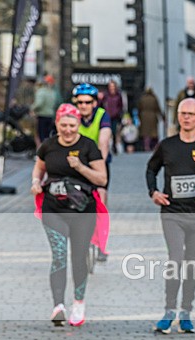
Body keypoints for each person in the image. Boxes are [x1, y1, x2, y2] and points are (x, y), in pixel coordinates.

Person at [145, 98, 195, 334]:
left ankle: (186, 312)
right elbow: (151, 168)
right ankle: (169, 310)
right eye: (182, 113)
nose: (186, 117)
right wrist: (154, 192)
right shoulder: (167, 145)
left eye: (191, 114)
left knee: (191, 263)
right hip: (171, 212)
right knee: (175, 259)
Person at [31, 104, 107, 327]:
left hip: (83, 211)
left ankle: (78, 302)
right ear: (56, 123)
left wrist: (81, 167)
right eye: (63, 125)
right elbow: (39, 168)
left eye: (72, 125)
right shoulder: (48, 146)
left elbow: (102, 179)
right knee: (59, 254)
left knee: (78, 256)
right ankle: (58, 306)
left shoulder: (88, 146)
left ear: (78, 125)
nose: (68, 130)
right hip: (53, 208)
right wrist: (36, 182)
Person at [73, 83, 112, 261]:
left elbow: (104, 141)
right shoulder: (72, 117)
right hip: (76, 164)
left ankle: (101, 244)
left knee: (101, 200)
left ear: (95, 103)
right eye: (80, 102)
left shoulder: (103, 116)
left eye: (88, 102)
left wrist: (99, 167)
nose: (83, 106)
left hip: (98, 164)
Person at [31, 74, 58, 145]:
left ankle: (42, 152)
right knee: (48, 135)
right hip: (50, 116)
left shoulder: (41, 92)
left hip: (41, 116)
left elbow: (38, 104)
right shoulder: (53, 93)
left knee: (41, 136)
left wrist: (32, 108)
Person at [100, 80, 125, 155]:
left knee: (114, 132)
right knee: (106, 132)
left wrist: (119, 113)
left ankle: (114, 146)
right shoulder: (106, 95)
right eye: (110, 86)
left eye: (113, 86)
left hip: (115, 116)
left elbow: (121, 106)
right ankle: (106, 147)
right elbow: (101, 104)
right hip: (107, 115)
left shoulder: (118, 95)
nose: (112, 88)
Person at [138, 87, 164, 151]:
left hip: (144, 117)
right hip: (153, 117)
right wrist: (163, 116)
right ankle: (155, 146)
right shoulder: (154, 98)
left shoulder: (142, 99)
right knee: (153, 132)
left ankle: (146, 146)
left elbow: (139, 108)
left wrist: (139, 117)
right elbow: (158, 108)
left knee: (146, 133)